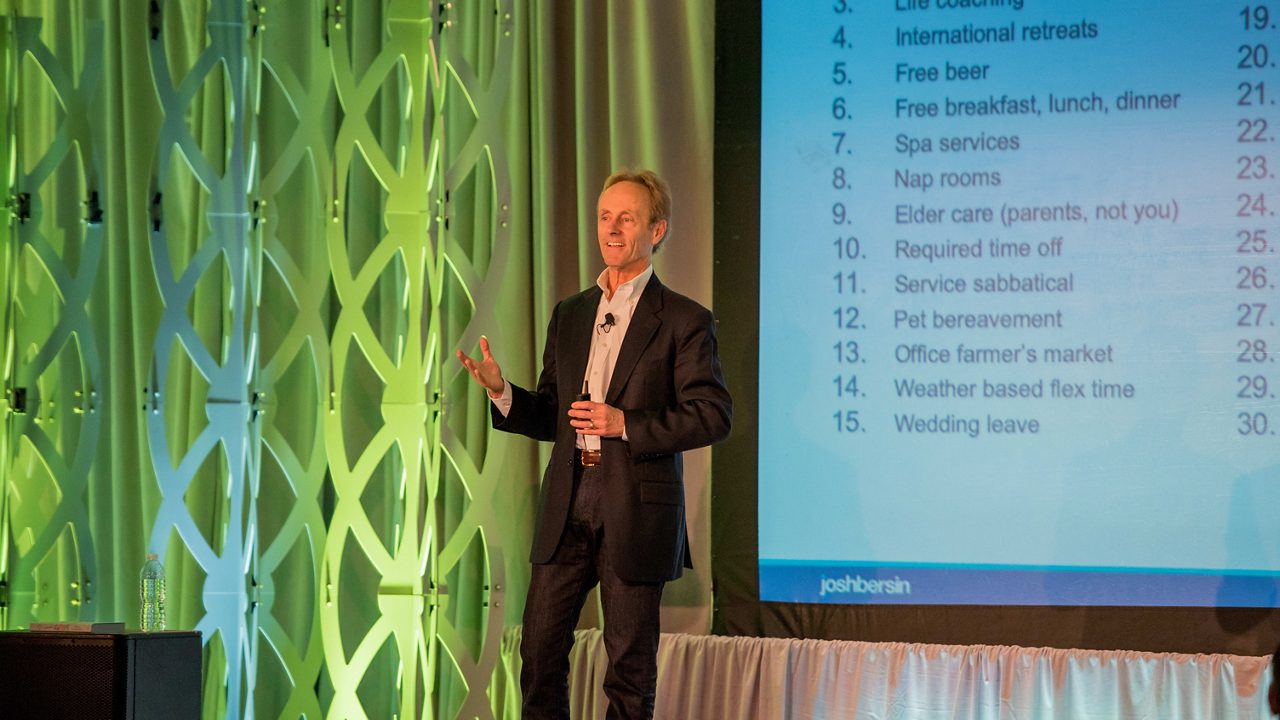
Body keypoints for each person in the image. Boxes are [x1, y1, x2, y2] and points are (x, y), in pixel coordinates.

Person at [456, 169, 732, 719]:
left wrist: (623, 423)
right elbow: (555, 414)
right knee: (538, 655)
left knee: (627, 669)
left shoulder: (682, 319)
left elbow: (711, 416)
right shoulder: (572, 312)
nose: (611, 227)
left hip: (634, 506)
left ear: (656, 231)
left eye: (626, 217)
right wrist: (502, 392)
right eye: (605, 216)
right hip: (568, 501)